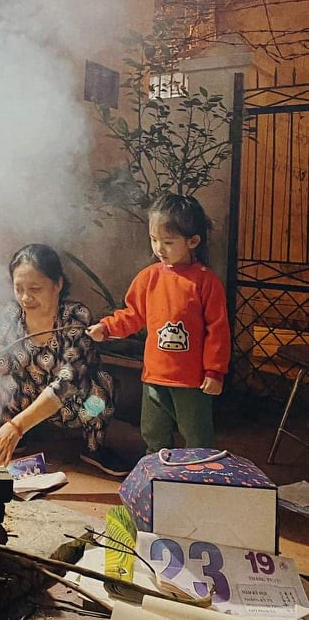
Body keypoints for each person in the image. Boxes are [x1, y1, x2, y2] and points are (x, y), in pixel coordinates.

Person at [0, 244, 130, 477]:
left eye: (35, 288)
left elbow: (66, 384)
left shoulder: (76, 317)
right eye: (19, 289)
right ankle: (22, 434)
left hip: (74, 407)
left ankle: (94, 448)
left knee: (101, 391)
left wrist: (16, 427)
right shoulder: (8, 317)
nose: (26, 297)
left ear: (57, 284)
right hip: (23, 401)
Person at [87, 193, 231, 453]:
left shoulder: (206, 282)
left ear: (193, 241)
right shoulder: (148, 278)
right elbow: (132, 314)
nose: (159, 249)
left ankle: (199, 480)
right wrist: (106, 328)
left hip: (192, 382)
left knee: (197, 437)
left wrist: (214, 371)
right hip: (154, 377)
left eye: (168, 242)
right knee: (153, 435)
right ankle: (156, 478)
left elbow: (217, 331)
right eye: (154, 240)